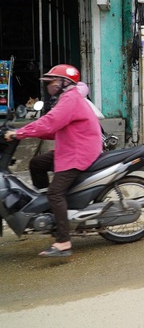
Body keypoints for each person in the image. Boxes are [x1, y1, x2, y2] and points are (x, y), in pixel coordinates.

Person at [4, 65, 103, 257]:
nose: (49, 85)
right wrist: (26, 133)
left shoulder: (70, 99)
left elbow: (49, 122)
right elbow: (53, 128)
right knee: (36, 164)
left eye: (53, 81)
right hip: (70, 147)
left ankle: (63, 241)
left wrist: (19, 133)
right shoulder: (66, 98)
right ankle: (48, 209)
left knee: (55, 193)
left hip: (78, 152)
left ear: (65, 83)